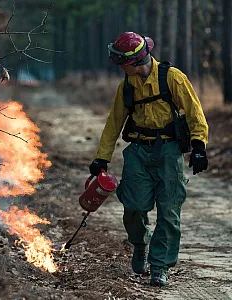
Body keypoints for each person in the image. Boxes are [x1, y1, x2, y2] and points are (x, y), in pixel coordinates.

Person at [89, 32, 209, 287]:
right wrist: (101, 158)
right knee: (133, 205)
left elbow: (195, 113)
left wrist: (199, 146)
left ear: (135, 60)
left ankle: (159, 266)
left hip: (168, 151)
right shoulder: (127, 85)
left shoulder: (173, 78)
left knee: (169, 211)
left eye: (121, 61)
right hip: (138, 151)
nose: (118, 65)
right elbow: (114, 123)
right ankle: (140, 245)